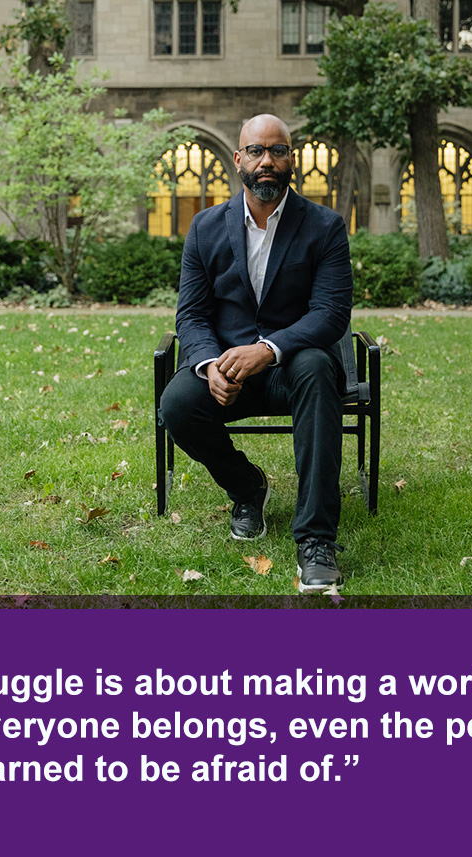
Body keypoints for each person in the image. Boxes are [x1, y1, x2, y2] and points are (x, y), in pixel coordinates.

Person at [159, 114, 353, 591]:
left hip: (294, 369)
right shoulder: (204, 228)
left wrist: (268, 349)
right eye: (257, 151)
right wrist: (208, 364)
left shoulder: (324, 227)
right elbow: (192, 316)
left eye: (278, 150)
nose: (267, 160)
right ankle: (248, 489)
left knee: (313, 365)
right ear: (238, 159)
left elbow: (331, 313)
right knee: (177, 404)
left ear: (292, 159)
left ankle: (315, 541)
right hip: (229, 371)